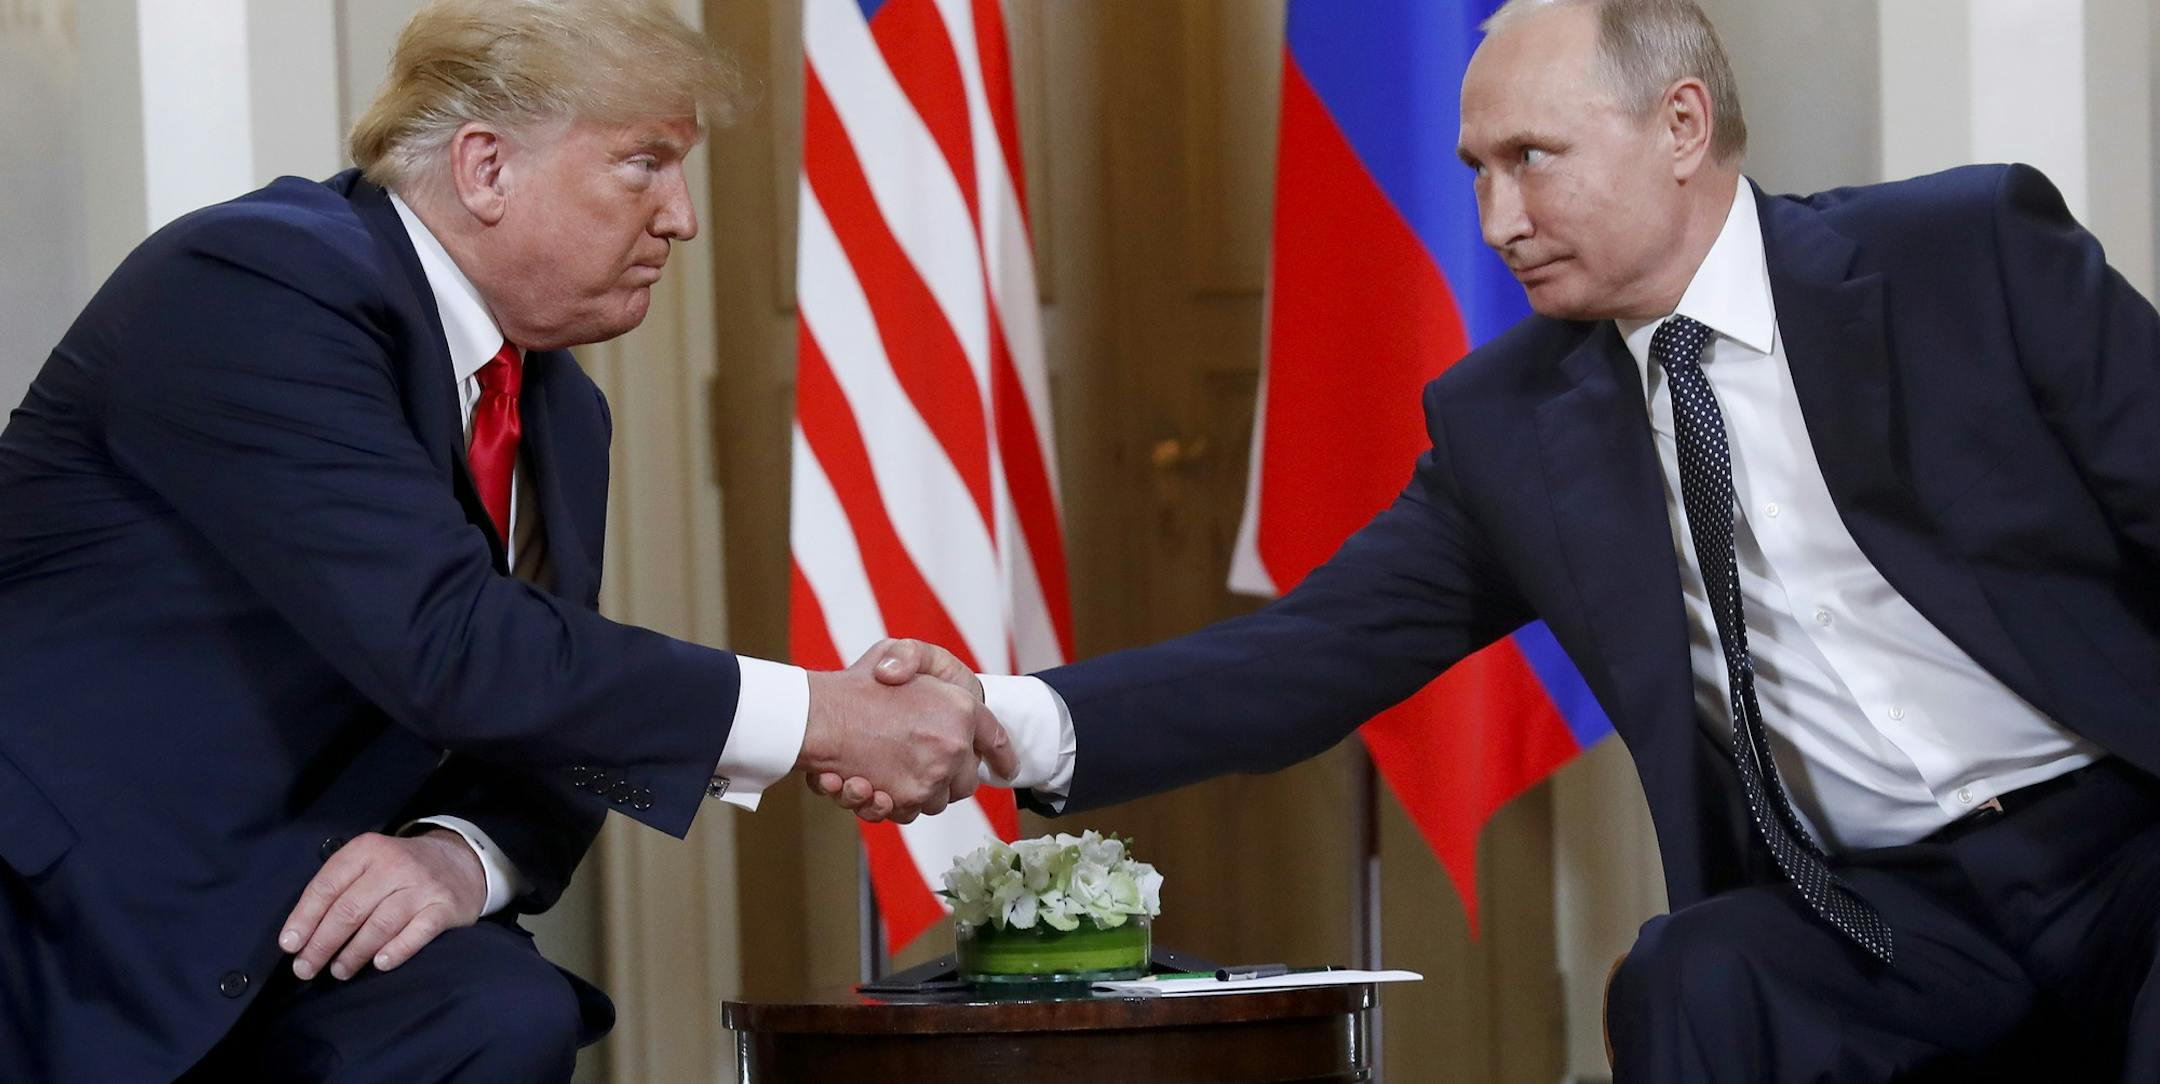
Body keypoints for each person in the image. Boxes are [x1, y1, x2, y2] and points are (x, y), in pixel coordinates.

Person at [822, 0, 2160, 1078]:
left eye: (1532, 160)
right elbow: (1310, 655)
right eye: (1476, 172)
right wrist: (1001, 719)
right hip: (1883, 915)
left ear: (1682, 124)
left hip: (2121, 841)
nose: (1497, 222)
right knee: (1696, 975)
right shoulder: (1516, 421)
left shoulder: (1962, 254)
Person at [0, 1, 1009, 1080]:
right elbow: (453, 645)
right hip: (76, 909)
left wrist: (463, 858)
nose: (681, 217)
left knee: (500, 1010)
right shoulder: (258, 284)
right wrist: (819, 714)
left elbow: (551, 703)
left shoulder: (558, 409)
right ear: (485, 167)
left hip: (307, 913)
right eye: (645, 164)